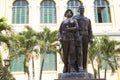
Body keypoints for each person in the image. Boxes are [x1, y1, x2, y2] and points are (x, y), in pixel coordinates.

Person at [73, 5, 93, 72]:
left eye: (83, 9)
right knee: (79, 51)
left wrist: (91, 37)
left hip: (86, 36)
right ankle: (80, 66)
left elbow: (90, 29)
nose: (82, 10)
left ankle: (85, 67)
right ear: (78, 10)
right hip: (79, 35)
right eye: (81, 9)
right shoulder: (75, 18)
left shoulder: (87, 19)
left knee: (85, 52)